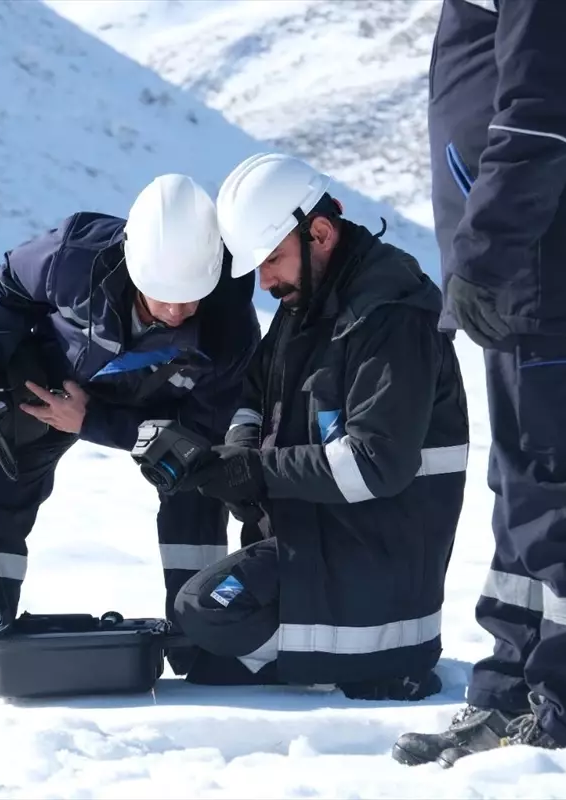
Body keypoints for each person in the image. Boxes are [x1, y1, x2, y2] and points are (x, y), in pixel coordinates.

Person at [393, 0, 566, 767]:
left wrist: (485, 254)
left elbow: (545, 115)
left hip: (562, 269)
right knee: (527, 487)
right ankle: (510, 693)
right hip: (555, 272)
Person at [156, 152, 470, 700]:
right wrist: (234, 457)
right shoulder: (310, 301)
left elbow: (376, 464)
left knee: (204, 614)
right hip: (316, 546)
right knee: (195, 624)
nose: (265, 281)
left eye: (272, 260)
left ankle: (362, 665)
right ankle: (300, 657)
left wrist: (257, 472)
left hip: (374, 573)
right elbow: (254, 395)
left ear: (319, 232)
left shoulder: (391, 317)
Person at [0, 173, 261, 674]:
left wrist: (93, 421)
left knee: (193, 492)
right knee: (8, 478)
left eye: (190, 297)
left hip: (153, 414)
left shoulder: (230, 331)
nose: (176, 312)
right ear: (134, 266)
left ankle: (198, 645)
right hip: (48, 381)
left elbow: (195, 440)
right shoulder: (74, 255)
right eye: (162, 295)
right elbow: (9, 287)